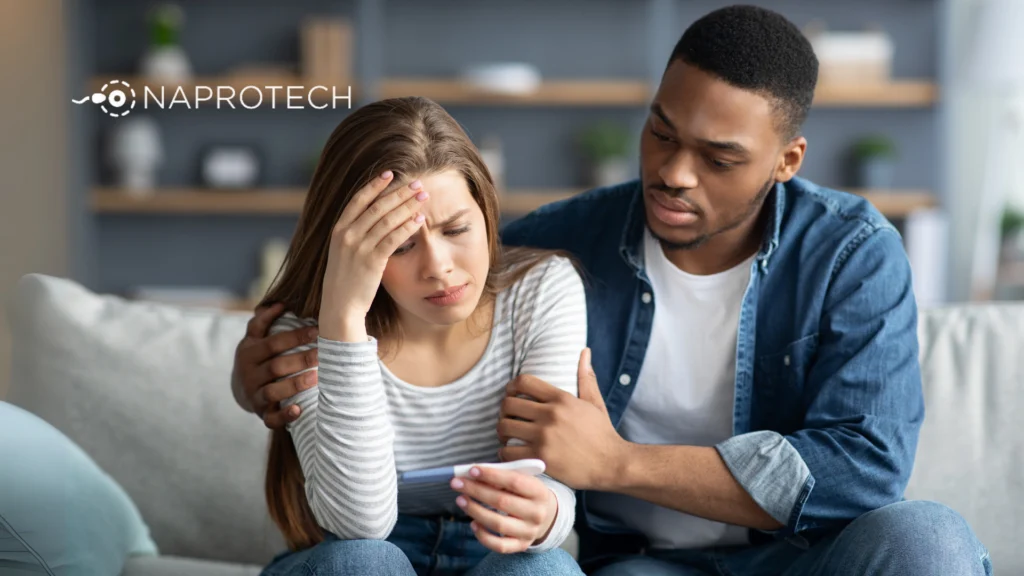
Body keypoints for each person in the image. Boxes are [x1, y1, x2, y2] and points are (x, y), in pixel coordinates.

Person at [234, 6, 991, 576]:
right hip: (635, 564)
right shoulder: (561, 244)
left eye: (719, 158)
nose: (674, 172)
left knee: (926, 537)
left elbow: (863, 467)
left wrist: (617, 463)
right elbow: (432, 282)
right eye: (662, 132)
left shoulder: (851, 253)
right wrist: (254, 373)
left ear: (786, 160)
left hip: (799, 555)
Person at [248, 96, 586, 576]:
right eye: (400, 245)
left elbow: (550, 477)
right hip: (356, 553)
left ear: (487, 212)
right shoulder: (308, 329)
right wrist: (344, 315)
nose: (438, 267)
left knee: (542, 569)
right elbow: (358, 523)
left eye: (457, 229)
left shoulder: (542, 291)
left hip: (490, 548)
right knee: (363, 562)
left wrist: (547, 515)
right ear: (349, 247)